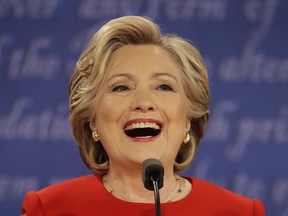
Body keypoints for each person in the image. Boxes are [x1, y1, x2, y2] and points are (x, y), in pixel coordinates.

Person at [21, 16, 265, 215]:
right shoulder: (49, 209)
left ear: (189, 119)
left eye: (163, 87)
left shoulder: (240, 211)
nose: (144, 103)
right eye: (121, 87)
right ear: (92, 119)